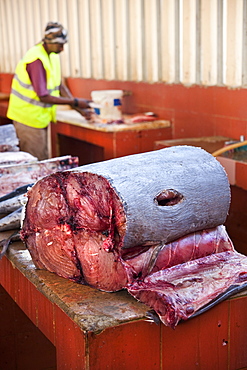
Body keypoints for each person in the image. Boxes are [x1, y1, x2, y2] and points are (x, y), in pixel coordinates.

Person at [7, 21, 92, 160]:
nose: (62, 49)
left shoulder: (52, 55)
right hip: (28, 120)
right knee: (35, 165)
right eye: (60, 45)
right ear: (49, 42)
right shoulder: (36, 59)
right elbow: (43, 96)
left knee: (42, 159)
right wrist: (76, 101)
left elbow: (59, 85)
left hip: (40, 119)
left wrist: (78, 108)